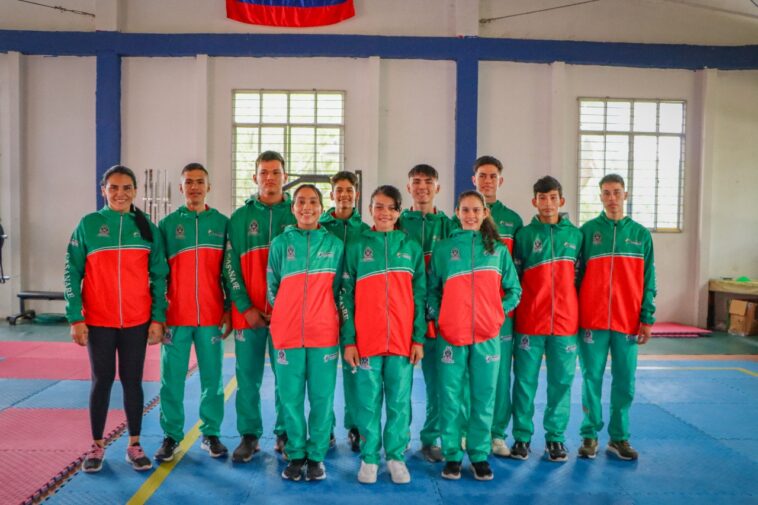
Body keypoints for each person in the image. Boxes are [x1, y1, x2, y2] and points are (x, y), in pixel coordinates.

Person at [64, 165, 168, 473]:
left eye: (126, 188)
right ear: (103, 191)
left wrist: (157, 317)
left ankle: (134, 444)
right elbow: (72, 271)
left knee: (133, 382)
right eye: (114, 188)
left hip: (137, 321)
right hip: (99, 321)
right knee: (103, 380)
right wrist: (75, 317)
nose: (120, 193)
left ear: (135, 191)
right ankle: (97, 445)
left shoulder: (147, 227)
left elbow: (160, 275)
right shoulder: (89, 225)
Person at [428, 190, 521, 481]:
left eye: (476, 210)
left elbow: (514, 291)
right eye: (465, 210)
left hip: (486, 336)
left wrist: (496, 313)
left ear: (484, 214)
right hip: (451, 336)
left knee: (484, 397)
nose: (470, 215)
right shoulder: (444, 249)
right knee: (451, 399)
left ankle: (479, 455)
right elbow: (432, 290)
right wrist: (441, 315)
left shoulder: (498, 250)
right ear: (457, 212)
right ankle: (453, 455)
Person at [341, 185, 426, 485]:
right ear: (370, 210)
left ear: (399, 212)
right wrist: (349, 340)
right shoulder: (356, 247)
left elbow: (420, 296)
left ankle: (395, 456)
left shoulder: (411, 248)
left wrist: (418, 338)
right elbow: (346, 296)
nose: (384, 212)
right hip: (367, 341)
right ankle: (369, 457)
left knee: (399, 402)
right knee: (367, 402)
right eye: (378, 206)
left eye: (390, 207)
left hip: (402, 342)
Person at [154, 163, 232, 463]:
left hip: (211, 318)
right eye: (189, 182)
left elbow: (229, 272)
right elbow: (158, 274)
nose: (195, 187)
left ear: (209, 187)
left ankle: (210, 433)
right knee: (171, 379)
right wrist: (159, 316)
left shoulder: (222, 223)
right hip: (176, 317)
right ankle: (171, 435)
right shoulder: (168, 225)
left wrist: (226, 309)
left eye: (200, 182)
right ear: (181, 187)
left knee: (212, 379)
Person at [577, 173, 656, 461]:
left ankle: (619, 437)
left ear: (626, 195)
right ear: (600, 196)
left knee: (625, 381)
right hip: (591, 322)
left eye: (617, 192)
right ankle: (589, 435)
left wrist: (646, 318)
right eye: (606, 193)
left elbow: (649, 279)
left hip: (627, 322)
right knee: (591, 379)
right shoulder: (586, 233)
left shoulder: (640, 235)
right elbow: (574, 278)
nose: (612, 198)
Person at [268, 184, 344, 481]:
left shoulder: (335, 244)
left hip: (324, 334)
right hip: (287, 334)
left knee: (322, 398)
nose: (306, 207)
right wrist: (285, 312)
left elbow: (340, 289)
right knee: (290, 398)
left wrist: (328, 316)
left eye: (313, 201)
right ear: (293, 207)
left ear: (321, 207)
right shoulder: (280, 243)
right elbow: (272, 286)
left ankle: (316, 456)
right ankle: (296, 453)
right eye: (301, 201)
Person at [225, 150, 296, 462]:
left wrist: (288, 309)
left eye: (276, 172)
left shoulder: (297, 214)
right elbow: (230, 268)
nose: (270, 178)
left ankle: (284, 433)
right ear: (254, 177)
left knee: (287, 378)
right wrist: (245, 307)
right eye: (264, 172)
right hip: (248, 316)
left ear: (284, 176)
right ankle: (250, 435)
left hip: (288, 317)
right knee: (248, 379)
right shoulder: (239, 219)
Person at [509, 176, 583, 462]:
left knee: (561, 382)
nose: (548, 203)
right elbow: (514, 279)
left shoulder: (576, 236)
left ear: (561, 201)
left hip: (565, 323)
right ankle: (522, 437)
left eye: (553, 197)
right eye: (542, 198)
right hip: (530, 321)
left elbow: (582, 278)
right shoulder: (524, 236)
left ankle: (555, 438)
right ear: (534, 202)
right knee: (524, 382)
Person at [397, 164, 454, 463]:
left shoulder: (448, 226)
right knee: (399, 383)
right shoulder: (396, 223)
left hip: (439, 317)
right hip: (401, 317)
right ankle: (400, 437)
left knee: (437, 382)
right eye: (416, 182)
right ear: (408, 188)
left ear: (437, 188)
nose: (422, 187)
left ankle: (431, 438)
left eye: (428, 182)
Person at [470, 155, 523, 457]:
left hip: (500, 314)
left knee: (500, 375)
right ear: (473, 179)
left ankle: (496, 433)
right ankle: (468, 430)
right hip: (466, 314)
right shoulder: (462, 216)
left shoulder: (513, 221)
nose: (487, 181)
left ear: (500, 181)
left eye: (492, 176)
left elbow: (518, 271)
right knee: (467, 375)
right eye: (482, 175)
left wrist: (504, 306)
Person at [318, 171, 369, 452]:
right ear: (332, 194)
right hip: (322, 309)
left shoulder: (366, 231)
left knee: (354, 372)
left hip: (355, 312)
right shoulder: (319, 226)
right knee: (323, 377)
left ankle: (355, 427)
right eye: (339, 190)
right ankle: (324, 429)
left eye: (349, 190)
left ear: (356, 195)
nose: (344, 195)